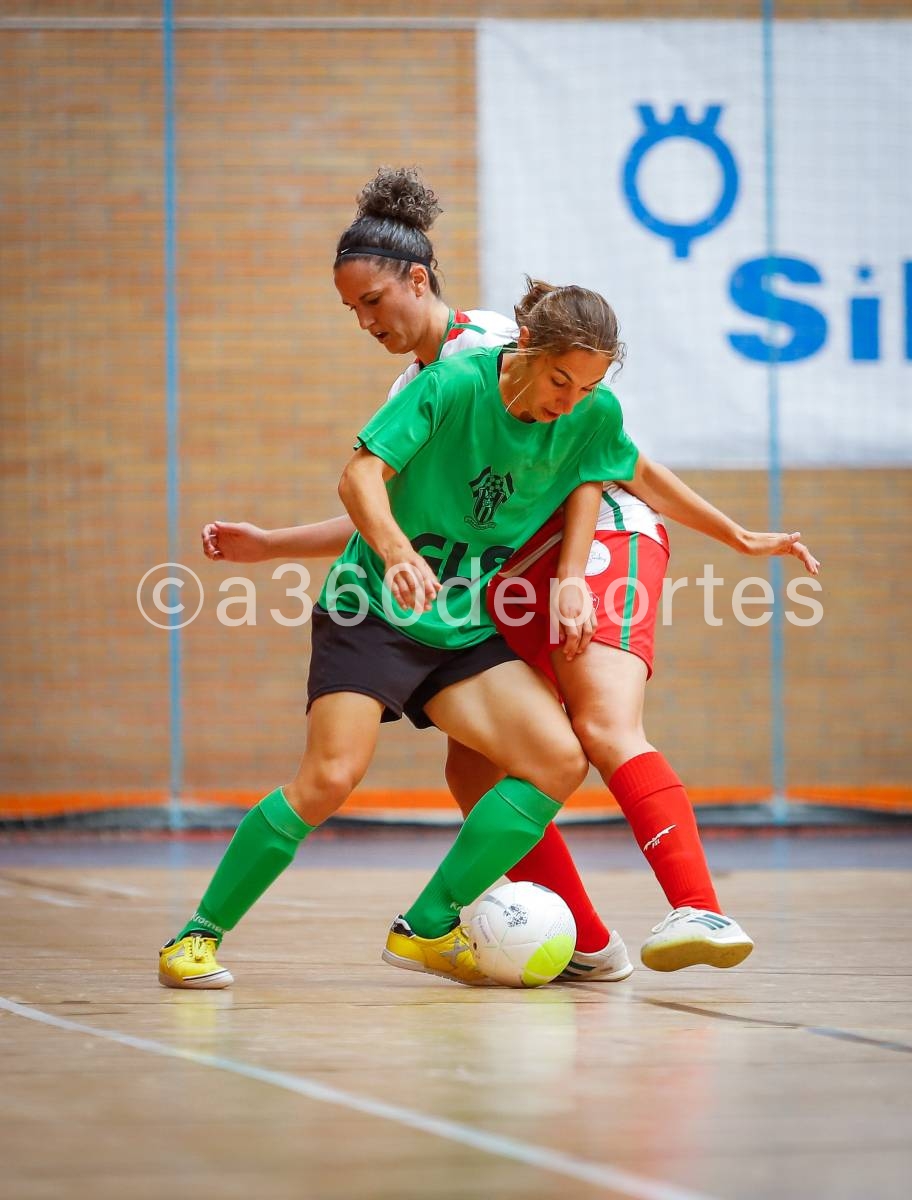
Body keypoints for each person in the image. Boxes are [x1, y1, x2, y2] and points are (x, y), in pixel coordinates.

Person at [204, 167, 819, 978]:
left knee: (600, 727)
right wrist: (272, 546)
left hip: (597, 538)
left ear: (417, 280)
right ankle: (585, 943)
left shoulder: (497, 350)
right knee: (475, 768)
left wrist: (582, 572)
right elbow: (408, 521)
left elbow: (595, 465)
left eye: (374, 301)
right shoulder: (422, 387)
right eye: (352, 309)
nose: (366, 321)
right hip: (503, 571)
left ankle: (697, 906)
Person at [160, 275, 639, 988]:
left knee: (557, 759)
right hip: (371, 610)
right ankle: (196, 937)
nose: (570, 402)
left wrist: (572, 578)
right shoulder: (450, 385)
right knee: (329, 779)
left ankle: (428, 925)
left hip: (461, 623)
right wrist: (395, 553)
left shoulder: (589, 416)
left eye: (588, 387)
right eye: (561, 381)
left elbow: (591, 483)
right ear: (527, 345)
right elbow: (360, 479)